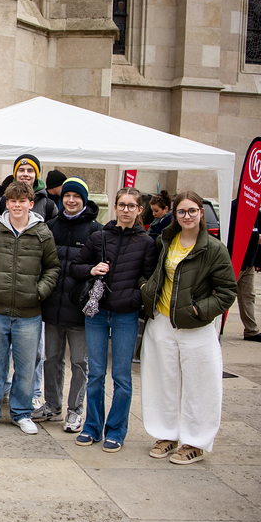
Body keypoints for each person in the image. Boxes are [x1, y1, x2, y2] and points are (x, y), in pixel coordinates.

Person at [140, 191, 236, 464]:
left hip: (196, 327)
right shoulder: (165, 241)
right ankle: (166, 435)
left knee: (200, 385)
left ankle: (195, 442)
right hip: (161, 323)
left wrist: (197, 311)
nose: (187, 216)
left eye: (192, 210)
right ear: (175, 214)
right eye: (182, 211)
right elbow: (150, 272)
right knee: (162, 382)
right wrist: (146, 289)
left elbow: (227, 291)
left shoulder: (214, 248)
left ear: (201, 213)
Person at [69, 186, 156, 452]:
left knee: (122, 376)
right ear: (115, 207)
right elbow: (75, 268)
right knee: (96, 373)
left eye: (131, 206)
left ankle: (116, 430)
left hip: (125, 315)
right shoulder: (99, 237)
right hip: (97, 313)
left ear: (139, 210)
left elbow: (149, 278)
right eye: (122, 205)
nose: (126, 210)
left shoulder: (146, 243)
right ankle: (92, 427)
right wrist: (92, 269)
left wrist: (135, 296)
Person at [0, 180, 60, 435]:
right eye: (12, 201)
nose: (17, 205)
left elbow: (53, 268)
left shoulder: (43, 234)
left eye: (22, 201)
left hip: (29, 313)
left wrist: (39, 291)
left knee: (26, 367)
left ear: (31, 204)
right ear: (6, 204)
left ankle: (21, 413)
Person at [35, 178, 102, 433]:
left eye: (76, 196)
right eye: (67, 196)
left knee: (79, 363)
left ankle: (75, 410)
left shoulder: (96, 231)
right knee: (52, 359)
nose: (71, 200)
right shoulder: (51, 226)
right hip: (53, 305)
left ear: (84, 199)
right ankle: (52, 405)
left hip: (79, 308)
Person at [228, 198, 261, 343]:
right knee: (224, 295)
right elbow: (233, 231)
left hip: (249, 263)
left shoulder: (256, 211)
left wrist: (257, 261)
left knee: (248, 296)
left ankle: (251, 331)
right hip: (234, 261)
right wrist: (255, 237)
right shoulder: (234, 208)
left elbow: (260, 235)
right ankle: (213, 327)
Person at [0, 154, 59, 222]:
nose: (25, 174)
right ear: (15, 174)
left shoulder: (48, 206)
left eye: (30, 171)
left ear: (36, 175)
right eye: (21, 170)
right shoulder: (1, 203)